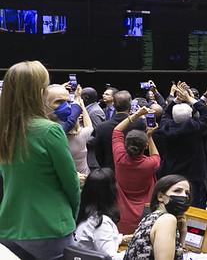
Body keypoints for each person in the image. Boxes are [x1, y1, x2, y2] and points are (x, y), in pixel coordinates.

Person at [0, 61, 81, 260]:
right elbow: (71, 184)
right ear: (38, 92)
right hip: (50, 227)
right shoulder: (50, 131)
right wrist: (70, 219)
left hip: (10, 227)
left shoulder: (5, 131)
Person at [157, 83, 207, 209]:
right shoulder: (195, 127)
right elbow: (206, 113)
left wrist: (176, 100)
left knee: (172, 207)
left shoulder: (165, 128)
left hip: (172, 176)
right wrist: (189, 99)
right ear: (190, 115)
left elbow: (166, 114)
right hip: (194, 177)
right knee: (195, 210)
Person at [112, 105, 161, 234]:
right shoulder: (150, 164)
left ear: (125, 144)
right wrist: (150, 137)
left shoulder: (119, 157)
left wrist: (137, 114)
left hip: (122, 212)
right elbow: (156, 156)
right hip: (144, 214)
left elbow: (116, 131)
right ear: (145, 147)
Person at [123, 175, 191, 260]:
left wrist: (182, 235)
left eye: (187, 193)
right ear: (160, 197)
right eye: (177, 191)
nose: (184, 196)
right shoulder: (167, 220)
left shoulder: (150, 217)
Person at [72, 168, 129, 260]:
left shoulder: (84, 214)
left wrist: (124, 238)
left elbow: (100, 239)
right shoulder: (100, 222)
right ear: (111, 191)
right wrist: (134, 250)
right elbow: (111, 257)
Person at [93, 90, 145, 169]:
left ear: (113, 105)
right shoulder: (139, 123)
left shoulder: (102, 127)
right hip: (135, 167)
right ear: (130, 105)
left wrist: (105, 167)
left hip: (110, 169)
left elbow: (98, 152)